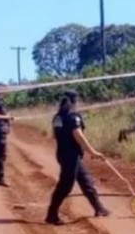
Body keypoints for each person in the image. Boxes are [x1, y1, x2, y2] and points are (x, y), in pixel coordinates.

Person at [45, 90, 110, 226]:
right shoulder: (73, 117)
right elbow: (78, 135)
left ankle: (99, 208)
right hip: (71, 155)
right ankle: (52, 214)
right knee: (65, 185)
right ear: (75, 101)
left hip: (63, 153)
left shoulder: (58, 116)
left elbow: (54, 135)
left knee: (86, 181)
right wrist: (92, 151)